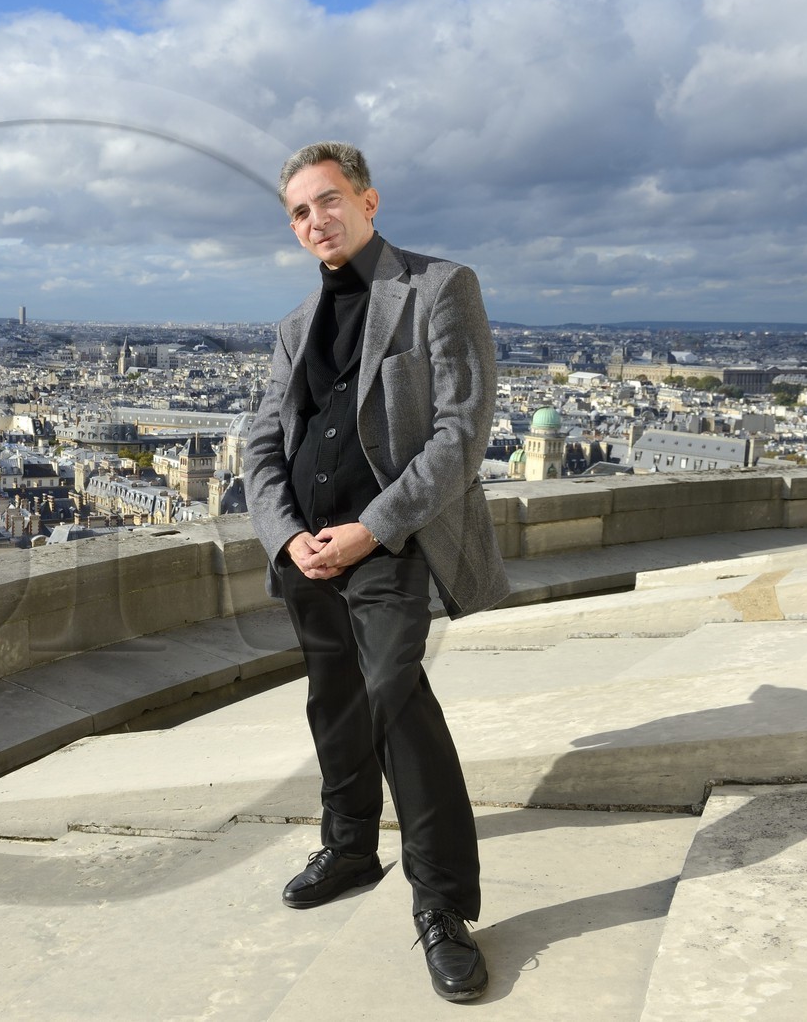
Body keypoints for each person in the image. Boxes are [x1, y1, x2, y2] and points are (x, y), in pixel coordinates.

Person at [244, 141, 509, 1003]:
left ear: (369, 200)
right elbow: (259, 445)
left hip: (390, 545)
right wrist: (289, 539)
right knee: (336, 703)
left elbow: (460, 437)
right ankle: (352, 846)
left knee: (398, 708)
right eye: (298, 211)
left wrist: (368, 529)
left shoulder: (439, 287)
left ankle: (441, 908)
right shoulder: (294, 327)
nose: (314, 220)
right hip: (308, 555)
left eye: (327, 201)